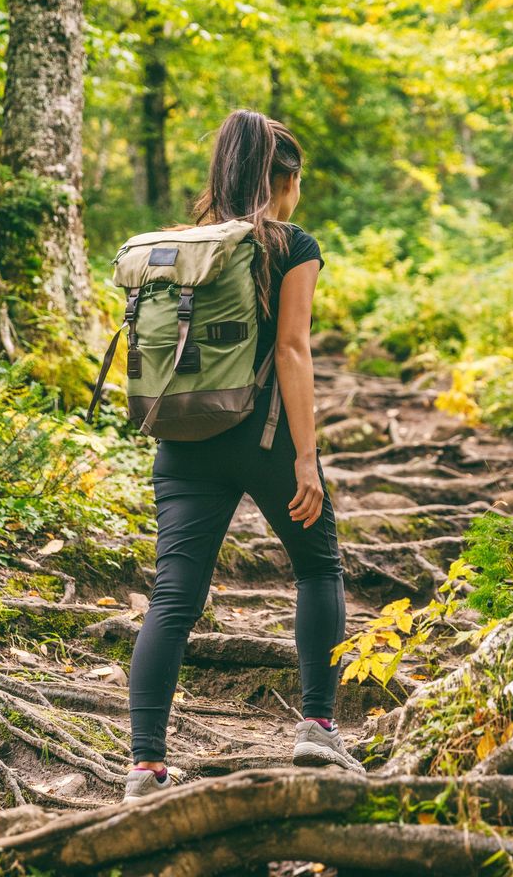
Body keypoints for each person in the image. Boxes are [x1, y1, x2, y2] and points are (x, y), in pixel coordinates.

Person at [123, 110, 364, 800]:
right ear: (280, 179)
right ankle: (317, 727)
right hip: (263, 439)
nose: (298, 197)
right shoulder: (291, 244)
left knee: (172, 597)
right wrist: (305, 458)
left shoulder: (186, 246)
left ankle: (144, 766)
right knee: (320, 568)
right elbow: (292, 349)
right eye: (297, 183)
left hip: (183, 440)